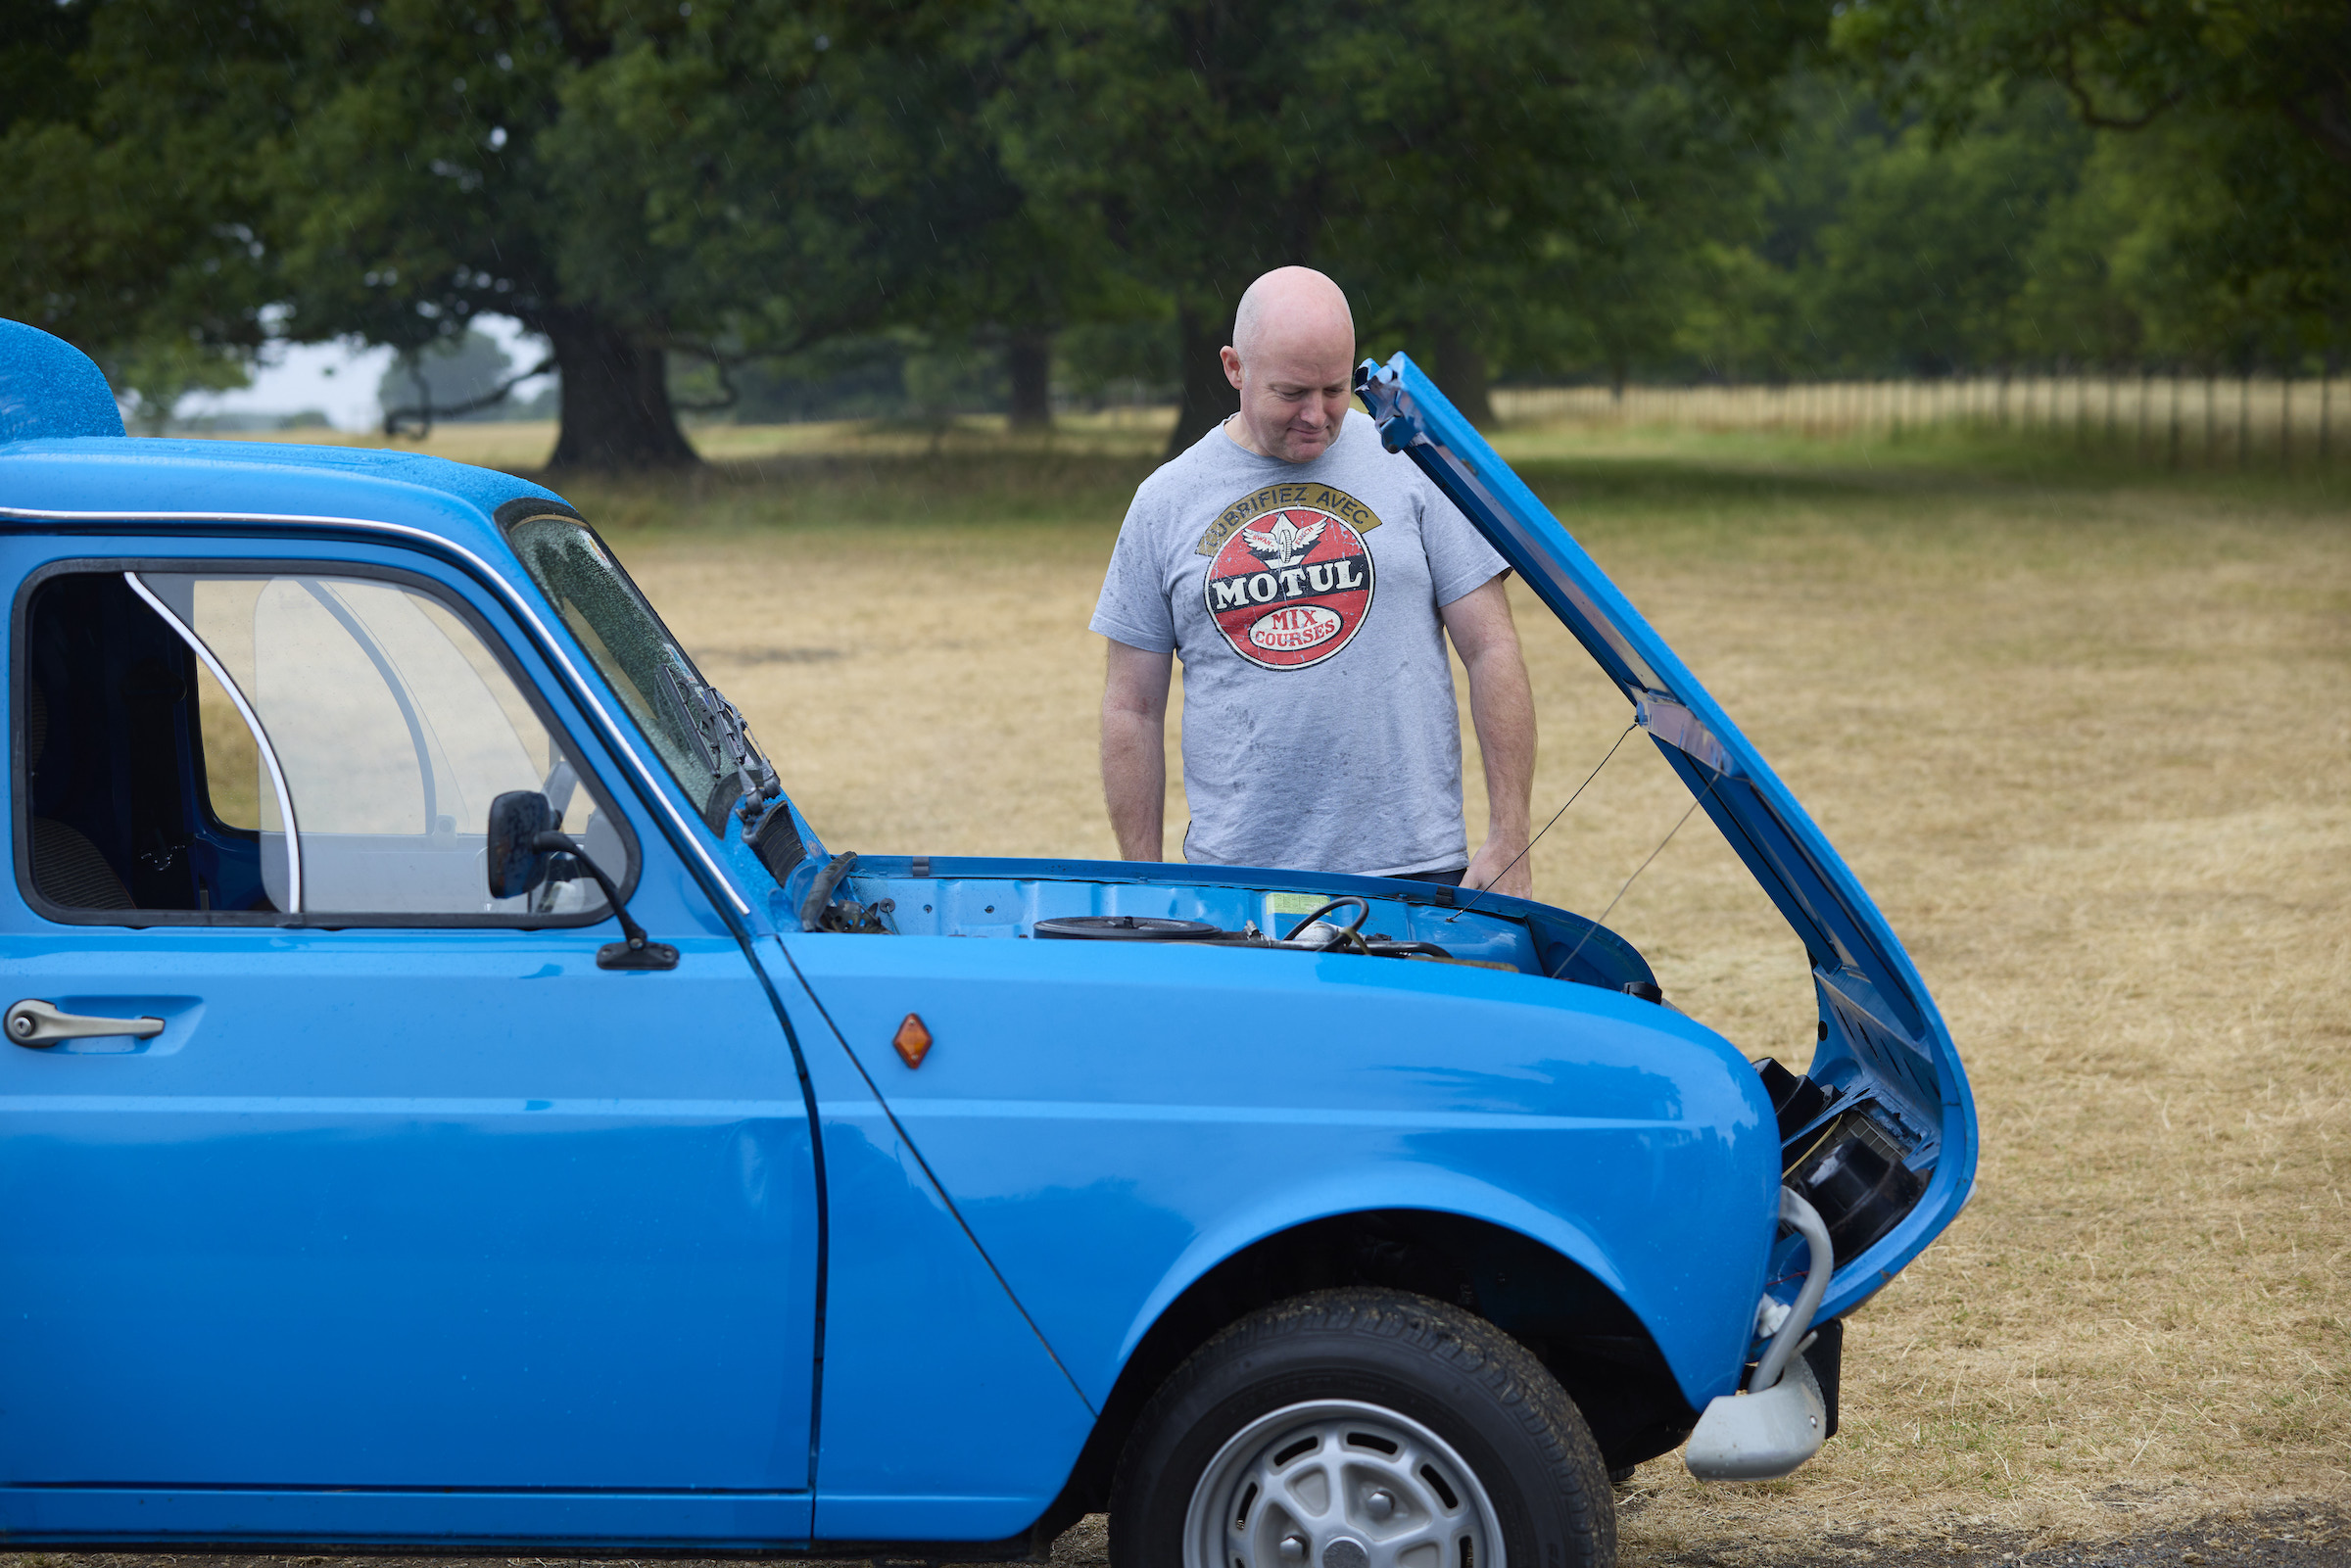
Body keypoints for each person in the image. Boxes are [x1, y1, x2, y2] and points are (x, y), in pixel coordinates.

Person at [1091, 266, 1536, 895]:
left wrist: (1511, 836)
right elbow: (1130, 707)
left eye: (1334, 389)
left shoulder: (1414, 461)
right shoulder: (1165, 501)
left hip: (1415, 867)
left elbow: (1492, 649)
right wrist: (1145, 881)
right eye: (1291, 392)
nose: (1316, 416)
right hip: (1235, 879)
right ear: (1233, 368)